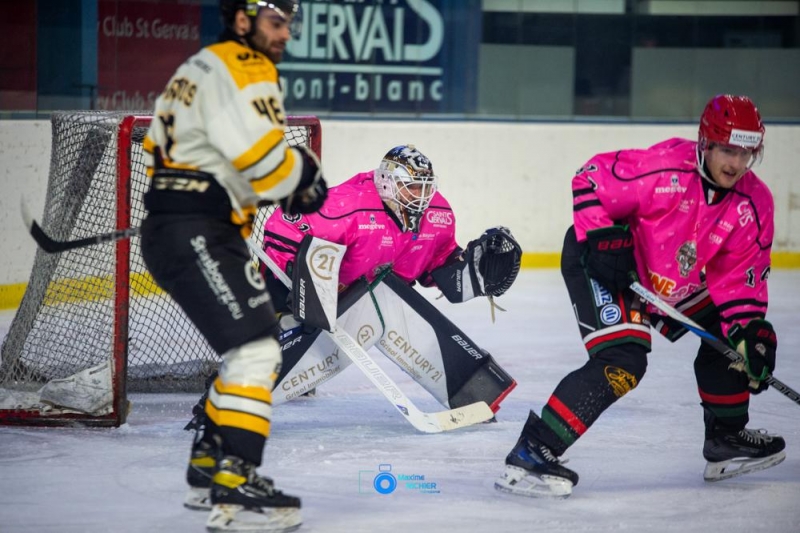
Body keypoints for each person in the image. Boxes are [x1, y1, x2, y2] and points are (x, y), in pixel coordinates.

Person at [495, 94, 785, 499]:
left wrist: (750, 333)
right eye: (726, 150)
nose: (735, 165)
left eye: (745, 153)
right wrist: (601, 238)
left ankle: (727, 437)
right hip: (603, 263)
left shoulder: (754, 203)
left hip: (665, 279)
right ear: (705, 142)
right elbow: (590, 177)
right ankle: (535, 448)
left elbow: (739, 282)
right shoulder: (664, 168)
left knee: (729, 337)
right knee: (624, 359)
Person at [140, 1, 327, 531]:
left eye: (290, 22)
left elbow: (168, 148)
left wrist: (258, 188)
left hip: (185, 228)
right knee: (256, 351)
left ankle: (207, 466)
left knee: (255, 348)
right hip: (198, 230)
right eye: (276, 21)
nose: (286, 33)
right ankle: (235, 489)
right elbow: (266, 160)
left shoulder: (199, 65)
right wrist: (305, 177)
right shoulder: (248, 65)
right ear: (242, 21)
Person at [261, 144, 522, 412]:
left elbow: (436, 262)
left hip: (376, 296)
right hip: (322, 302)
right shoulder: (347, 205)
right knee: (379, 296)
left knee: (391, 298)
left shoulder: (438, 214)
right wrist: (301, 277)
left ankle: (473, 390)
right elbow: (284, 226)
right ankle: (248, 385)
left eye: (425, 187)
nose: (421, 195)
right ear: (387, 183)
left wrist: (468, 272)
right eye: (412, 187)